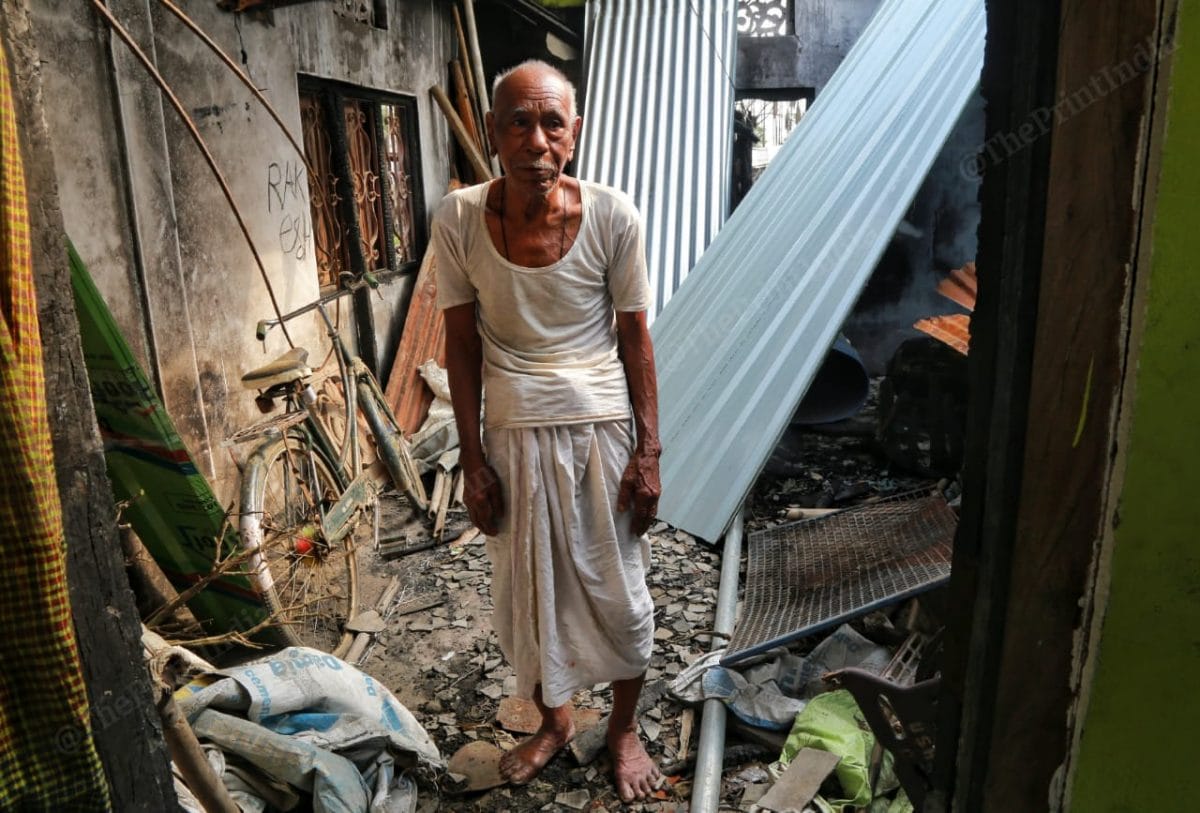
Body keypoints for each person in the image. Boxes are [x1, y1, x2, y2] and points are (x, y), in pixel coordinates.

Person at [433, 59, 664, 803]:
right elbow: (461, 344)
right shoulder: (460, 217)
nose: (537, 140)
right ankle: (556, 721)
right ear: (493, 133)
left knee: (618, 589)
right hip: (513, 431)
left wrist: (649, 452)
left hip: (601, 430)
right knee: (528, 593)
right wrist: (471, 461)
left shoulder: (613, 214)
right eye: (519, 123)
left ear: (575, 132)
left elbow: (636, 339)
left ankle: (623, 730)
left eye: (552, 123)